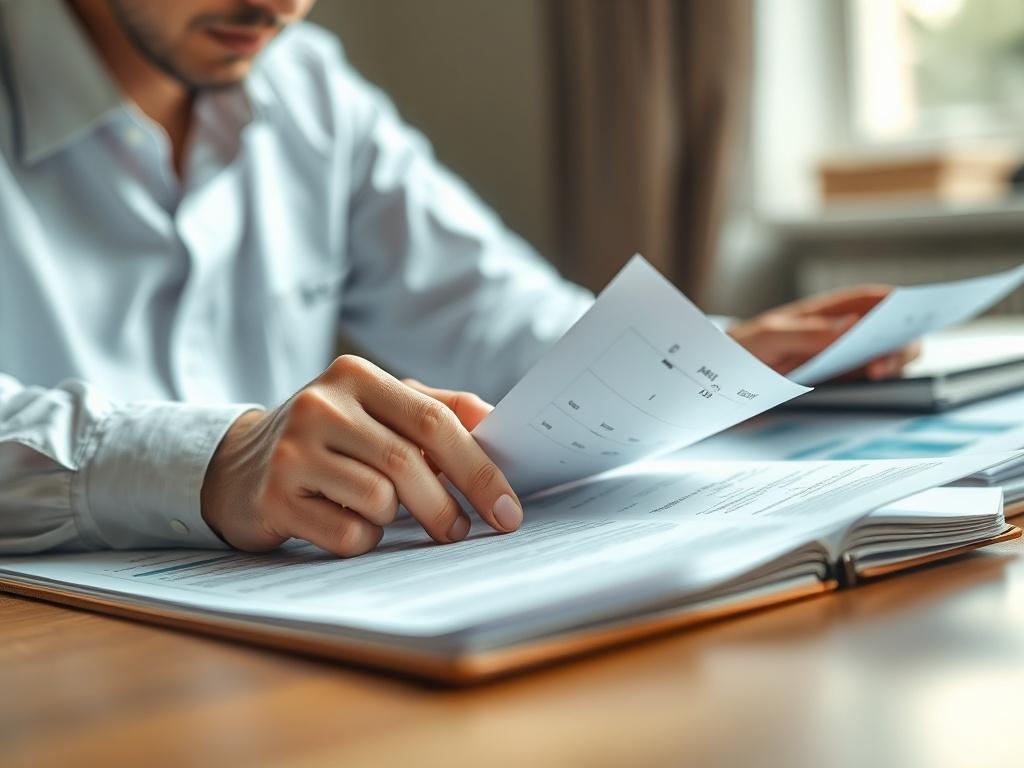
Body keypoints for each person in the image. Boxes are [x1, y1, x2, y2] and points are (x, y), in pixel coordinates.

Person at [0, 0, 915, 558]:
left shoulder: (310, 89)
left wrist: (707, 356)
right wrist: (209, 460)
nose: (280, 4)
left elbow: (488, 311)